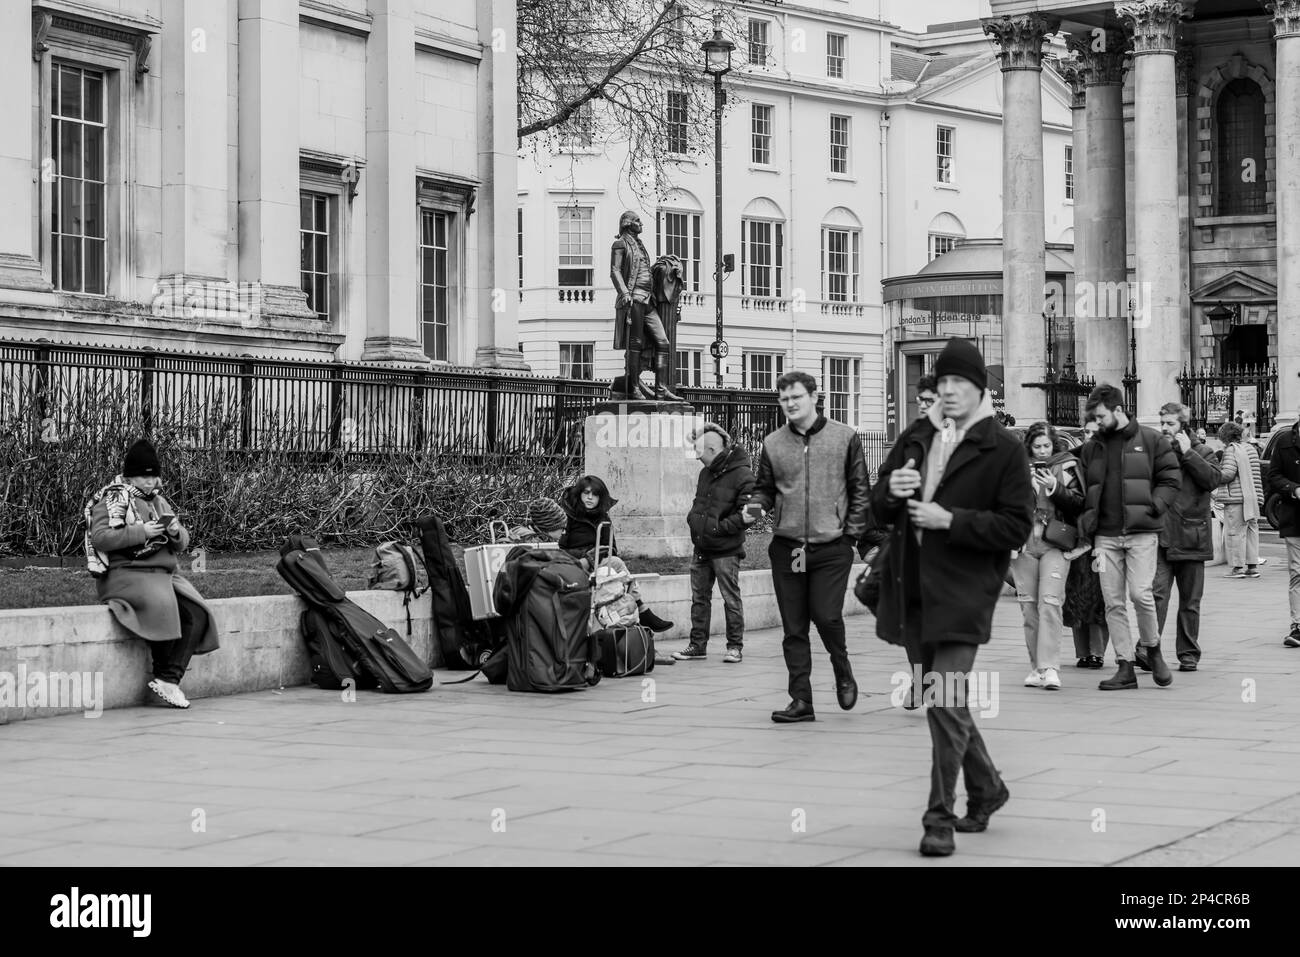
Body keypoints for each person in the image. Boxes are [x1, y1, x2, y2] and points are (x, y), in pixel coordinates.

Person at [872, 337, 1031, 857]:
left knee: (942, 696)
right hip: (912, 586)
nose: (949, 392)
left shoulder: (1003, 448)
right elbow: (878, 508)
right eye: (942, 384)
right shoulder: (917, 435)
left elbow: (1015, 526)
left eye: (959, 383)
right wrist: (892, 492)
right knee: (948, 700)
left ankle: (938, 816)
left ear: (979, 388)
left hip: (965, 592)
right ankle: (988, 787)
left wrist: (951, 520)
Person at [750, 370, 871, 723]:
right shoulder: (773, 443)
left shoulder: (845, 438)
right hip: (788, 547)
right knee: (794, 627)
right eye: (784, 399)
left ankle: (842, 666)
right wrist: (756, 504)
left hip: (831, 546)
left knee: (827, 615)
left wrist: (850, 536)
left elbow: (861, 491)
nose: (789, 404)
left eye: (796, 397)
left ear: (815, 397)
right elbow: (766, 489)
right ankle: (801, 700)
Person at [86, 439, 219, 709]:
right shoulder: (113, 497)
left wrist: (174, 532)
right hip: (127, 574)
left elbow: (183, 542)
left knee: (197, 612)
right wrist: (142, 532)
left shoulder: (159, 501)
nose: (149, 482)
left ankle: (169, 679)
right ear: (129, 475)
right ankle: (166, 677)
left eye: (153, 476)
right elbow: (100, 538)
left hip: (163, 574)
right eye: (143, 477)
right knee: (162, 604)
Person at [1077, 384, 1181, 691]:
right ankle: (1124, 666)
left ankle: (1153, 649)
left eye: (1100, 416)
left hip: (1141, 533)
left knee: (1140, 594)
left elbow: (1171, 478)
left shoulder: (1150, 439)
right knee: (1113, 603)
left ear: (1118, 410)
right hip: (1105, 537)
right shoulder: (1093, 446)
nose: (1096, 423)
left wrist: (1156, 505)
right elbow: (1085, 488)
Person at [1148, 403, 1221, 673]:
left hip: (1192, 536)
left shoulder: (1202, 451)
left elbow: (1213, 479)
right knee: (1156, 596)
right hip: (1162, 536)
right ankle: (1149, 649)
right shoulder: (1157, 453)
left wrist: (1188, 453)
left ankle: (1188, 653)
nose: (1165, 428)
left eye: (1170, 424)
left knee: (1190, 601)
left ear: (1183, 426)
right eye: (1163, 423)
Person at [1011, 422, 1084, 691]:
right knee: (1029, 607)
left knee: (1050, 602)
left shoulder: (1067, 466)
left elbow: (1079, 502)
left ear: (1054, 444)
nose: (1042, 451)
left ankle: (1050, 668)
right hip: (1023, 543)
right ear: (1029, 446)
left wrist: (1055, 487)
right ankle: (1037, 668)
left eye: (1046, 446)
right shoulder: (1015, 469)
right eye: (1037, 446)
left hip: (1056, 541)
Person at [674, 423, 755, 664]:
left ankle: (735, 647)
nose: (696, 454)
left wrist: (720, 528)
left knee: (730, 598)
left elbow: (752, 512)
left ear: (712, 449)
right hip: (701, 547)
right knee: (699, 599)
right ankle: (697, 646)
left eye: (699, 449)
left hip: (726, 550)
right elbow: (699, 503)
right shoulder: (705, 473)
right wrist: (693, 520)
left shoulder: (743, 475)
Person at [559, 475, 674, 635]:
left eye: (595, 494)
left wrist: (592, 557)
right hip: (575, 565)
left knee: (616, 566)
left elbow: (611, 548)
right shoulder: (570, 516)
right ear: (579, 495)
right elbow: (562, 547)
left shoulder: (603, 518)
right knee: (617, 565)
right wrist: (586, 558)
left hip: (595, 565)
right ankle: (641, 609)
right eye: (586, 493)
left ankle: (634, 615)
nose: (590, 497)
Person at [1064, 416, 1109, 669]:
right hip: (1076, 533)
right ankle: (1082, 651)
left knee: (1101, 593)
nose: (1092, 437)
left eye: (1097, 432)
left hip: (1104, 534)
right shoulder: (1073, 461)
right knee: (1077, 592)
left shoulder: (1112, 462)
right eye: (1088, 432)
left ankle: (1098, 651)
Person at [1265, 414, 1300, 647]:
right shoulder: (1285, 441)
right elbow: (1274, 475)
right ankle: (1297, 625)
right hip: (1295, 517)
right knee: (1297, 571)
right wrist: (1294, 489)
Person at [1216, 420, 1264, 580]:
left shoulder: (1231, 450)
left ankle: (1237, 568)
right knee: (1251, 531)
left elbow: (1228, 473)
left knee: (1235, 532)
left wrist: (1215, 475)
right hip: (1253, 498)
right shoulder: (1250, 448)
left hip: (1236, 497)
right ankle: (1252, 567)